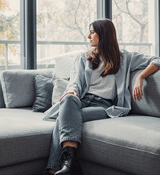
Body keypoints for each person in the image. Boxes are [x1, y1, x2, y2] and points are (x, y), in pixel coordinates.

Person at [43, 19, 160, 175]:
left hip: (104, 106)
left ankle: (53, 170)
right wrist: (72, 92)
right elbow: (75, 82)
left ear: (103, 33)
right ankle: (69, 165)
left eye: (92, 32)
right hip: (81, 101)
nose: (88, 36)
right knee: (69, 100)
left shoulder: (125, 58)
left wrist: (140, 77)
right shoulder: (83, 58)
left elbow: (156, 60)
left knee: (64, 120)